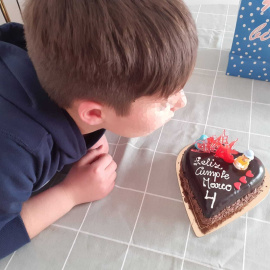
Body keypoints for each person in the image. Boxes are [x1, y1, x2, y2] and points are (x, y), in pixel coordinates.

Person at [0, 0, 198, 259]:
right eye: (164, 101)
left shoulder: (46, 57)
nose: (182, 103)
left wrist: (86, 135)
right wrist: (70, 193)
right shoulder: (15, 154)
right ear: (93, 113)